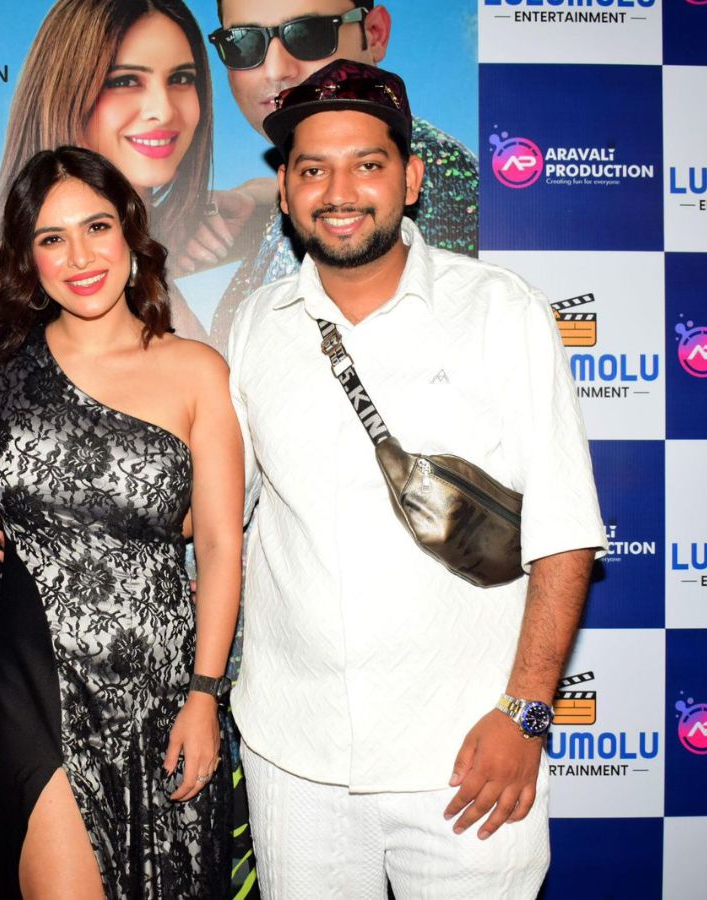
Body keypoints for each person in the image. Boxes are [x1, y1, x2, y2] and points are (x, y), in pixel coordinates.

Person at [227, 60, 606, 897]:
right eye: (312, 169)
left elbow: (566, 530)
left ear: (411, 178)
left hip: (467, 758)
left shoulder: (502, 311)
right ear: (285, 191)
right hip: (297, 761)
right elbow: (224, 515)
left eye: (367, 164)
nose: (340, 192)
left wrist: (526, 716)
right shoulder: (254, 326)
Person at [0, 146, 242, 899]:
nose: (79, 257)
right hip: (34, 682)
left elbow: (218, 544)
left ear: (130, 232)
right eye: (52, 238)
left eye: (97, 227)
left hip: (163, 687)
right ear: (28, 257)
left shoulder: (196, 370)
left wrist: (204, 694)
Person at [186, 0, 479, 350]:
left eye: (308, 35)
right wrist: (258, 202)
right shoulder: (300, 202)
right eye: (244, 42)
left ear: (375, 34)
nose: (276, 71)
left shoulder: (434, 174)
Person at [0, 0, 217, 356]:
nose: (162, 111)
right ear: (66, 95)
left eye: (181, 79)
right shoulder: (1, 275)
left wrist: (250, 196)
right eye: (125, 81)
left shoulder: (148, 264)